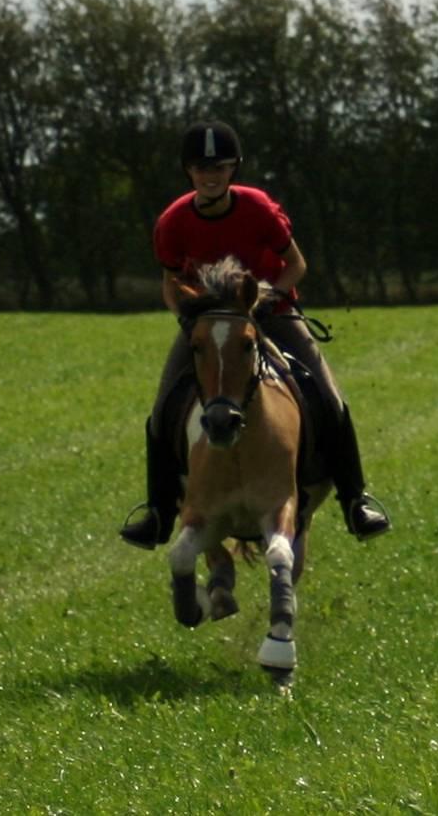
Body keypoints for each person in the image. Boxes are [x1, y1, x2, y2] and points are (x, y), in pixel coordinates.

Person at [120, 120, 390, 549]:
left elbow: (296, 265)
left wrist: (269, 298)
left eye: (221, 168)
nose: (211, 176)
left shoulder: (258, 208)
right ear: (188, 171)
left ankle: (356, 500)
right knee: (163, 410)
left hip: (274, 312)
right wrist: (187, 317)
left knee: (329, 397)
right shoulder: (172, 222)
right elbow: (171, 284)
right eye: (201, 168)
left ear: (234, 169)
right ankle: (158, 512)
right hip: (209, 324)